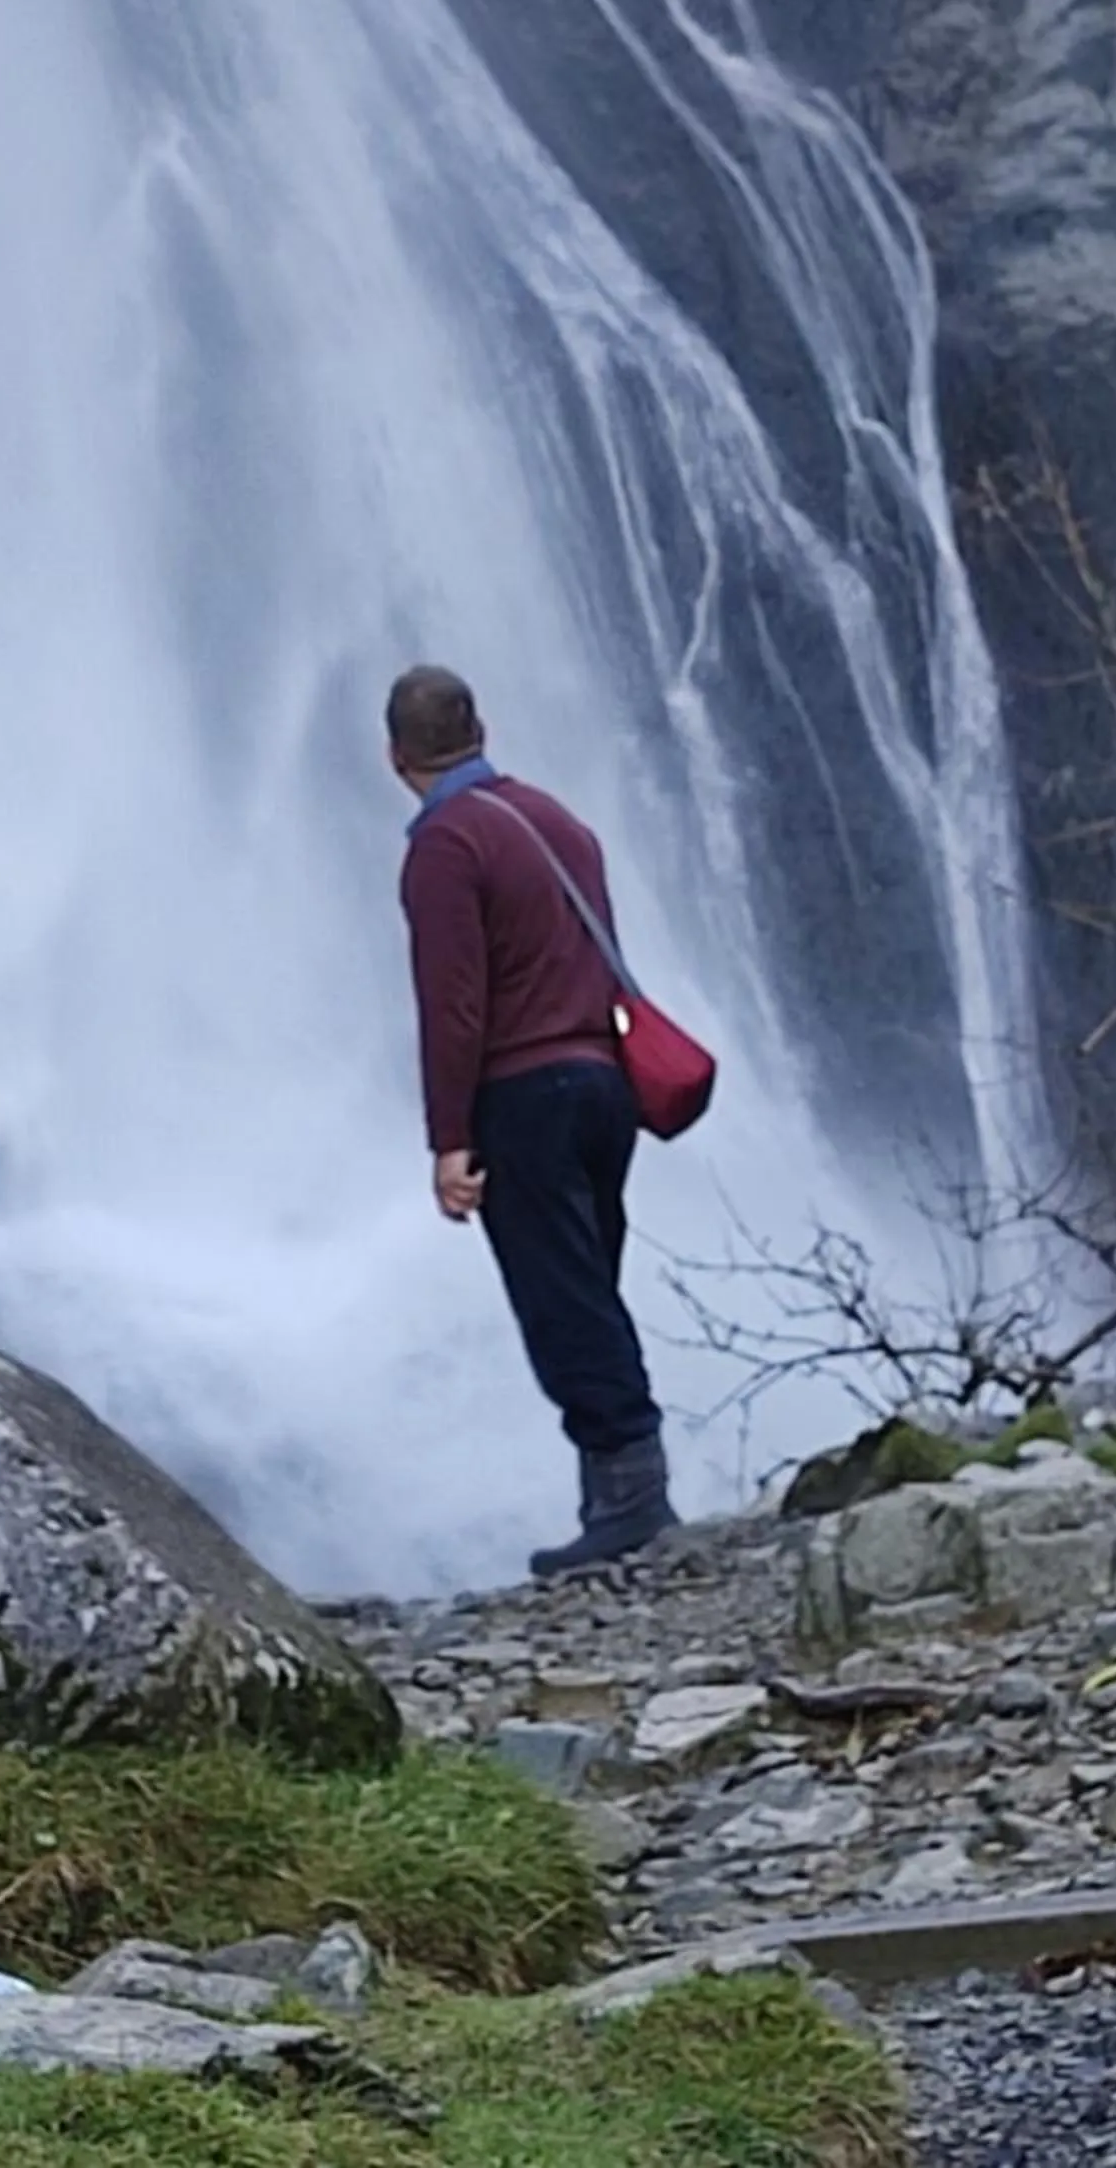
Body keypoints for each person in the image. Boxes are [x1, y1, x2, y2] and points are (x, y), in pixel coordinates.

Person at [386, 662, 677, 1576]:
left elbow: (453, 1003)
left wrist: (449, 1140)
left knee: (563, 1301)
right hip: (603, 1086)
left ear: (397, 756)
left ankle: (632, 1499)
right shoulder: (558, 823)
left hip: (527, 1096)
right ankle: (615, 1497)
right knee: (591, 1284)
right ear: (482, 730)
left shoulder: (446, 845)